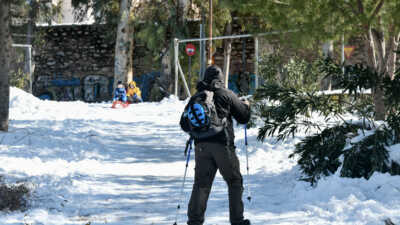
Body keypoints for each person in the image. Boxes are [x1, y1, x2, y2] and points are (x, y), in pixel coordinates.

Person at [180, 65, 251, 225]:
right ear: (220, 78)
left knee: (201, 184)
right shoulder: (227, 94)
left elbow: (184, 124)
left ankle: (194, 222)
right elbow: (244, 117)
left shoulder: (196, 97)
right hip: (222, 145)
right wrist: (246, 105)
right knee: (234, 181)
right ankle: (237, 221)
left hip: (201, 147)